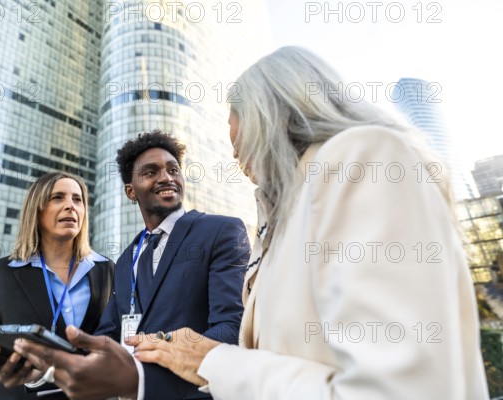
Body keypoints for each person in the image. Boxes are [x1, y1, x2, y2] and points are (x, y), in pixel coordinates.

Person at [126, 47, 491, 399]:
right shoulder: (286, 214)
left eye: (232, 122)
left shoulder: (362, 160)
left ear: (267, 112)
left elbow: (399, 391)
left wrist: (214, 363)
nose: (232, 149)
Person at [8, 131, 250, 399]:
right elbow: (109, 335)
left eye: (173, 169)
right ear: (130, 191)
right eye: (151, 172)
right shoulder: (126, 260)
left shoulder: (221, 230)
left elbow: (232, 327)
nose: (167, 178)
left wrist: (144, 374)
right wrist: (46, 368)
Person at [0, 171, 114, 399]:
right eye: (58, 197)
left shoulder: (106, 269)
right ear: (37, 209)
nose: (71, 206)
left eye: (77, 199)